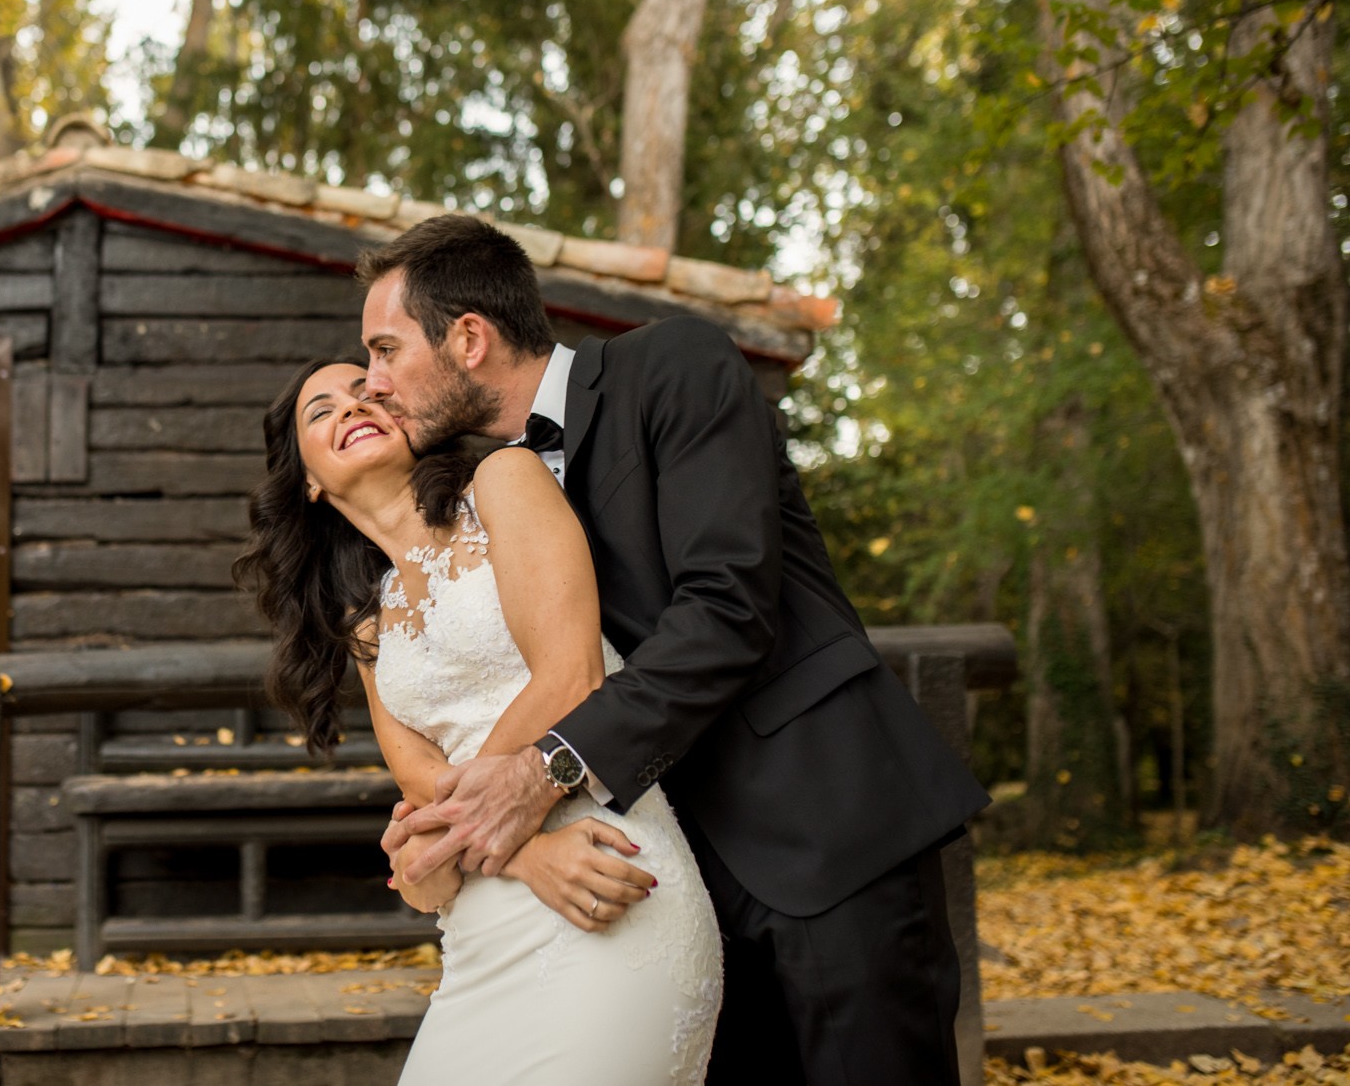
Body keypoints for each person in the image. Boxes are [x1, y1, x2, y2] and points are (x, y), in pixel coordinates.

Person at [357, 215, 992, 1086]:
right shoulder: (485, 497)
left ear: (468, 337)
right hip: (670, 887)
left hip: (821, 829)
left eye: (387, 349)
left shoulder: (674, 365)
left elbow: (728, 607)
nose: (374, 381)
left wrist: (546, 770)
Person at [234, 359, 723, 1084]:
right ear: (307, 479)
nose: (351, 405)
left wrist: (442, 839)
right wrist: (517, 854)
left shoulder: (502, 483)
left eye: (367, 390)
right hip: (489, 919)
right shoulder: (363, 619)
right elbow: (416, 775)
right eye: (321, 410)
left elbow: (570, 676)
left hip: (603, 875)